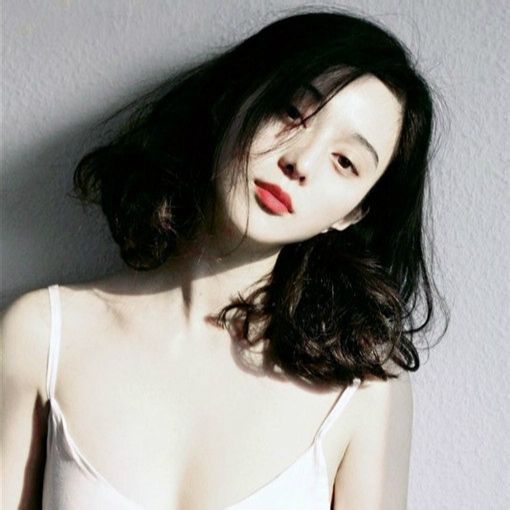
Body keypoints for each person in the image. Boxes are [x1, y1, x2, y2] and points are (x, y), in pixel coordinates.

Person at [1, 9, 448, 510]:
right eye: (292, 113)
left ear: (354, 213)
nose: (299, 162)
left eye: (344, 161)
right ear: (235, 99)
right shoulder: (43, 335)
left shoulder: (364, 389)